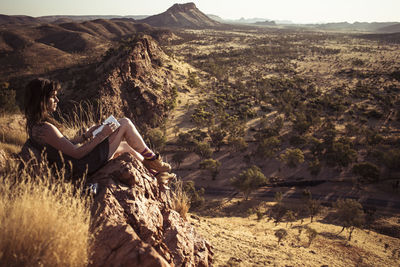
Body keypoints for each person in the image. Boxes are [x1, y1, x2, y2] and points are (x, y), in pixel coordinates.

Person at [24, 78, 174, 187]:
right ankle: (155, 160)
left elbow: (64, 146)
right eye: (52, 96)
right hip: (84, 165)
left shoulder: (35, 125)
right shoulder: (45, 128)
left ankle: (156, 175)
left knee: (125, 147)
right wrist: (102, 134)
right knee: (124, 123)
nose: (57, 99)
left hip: (78, 163)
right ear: (41, 99)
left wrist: (87, 135)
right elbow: (77, 153)